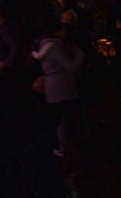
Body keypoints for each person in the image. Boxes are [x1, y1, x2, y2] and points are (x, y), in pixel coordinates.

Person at [32, 18, 84, 157]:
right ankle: (63, 147)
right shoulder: (55, 46)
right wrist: (79, 54)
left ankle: (58, 147)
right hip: (61, 85)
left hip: (51, 85)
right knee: (64, 119)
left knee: (57, 117)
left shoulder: (42, 45)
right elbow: (70, 66)